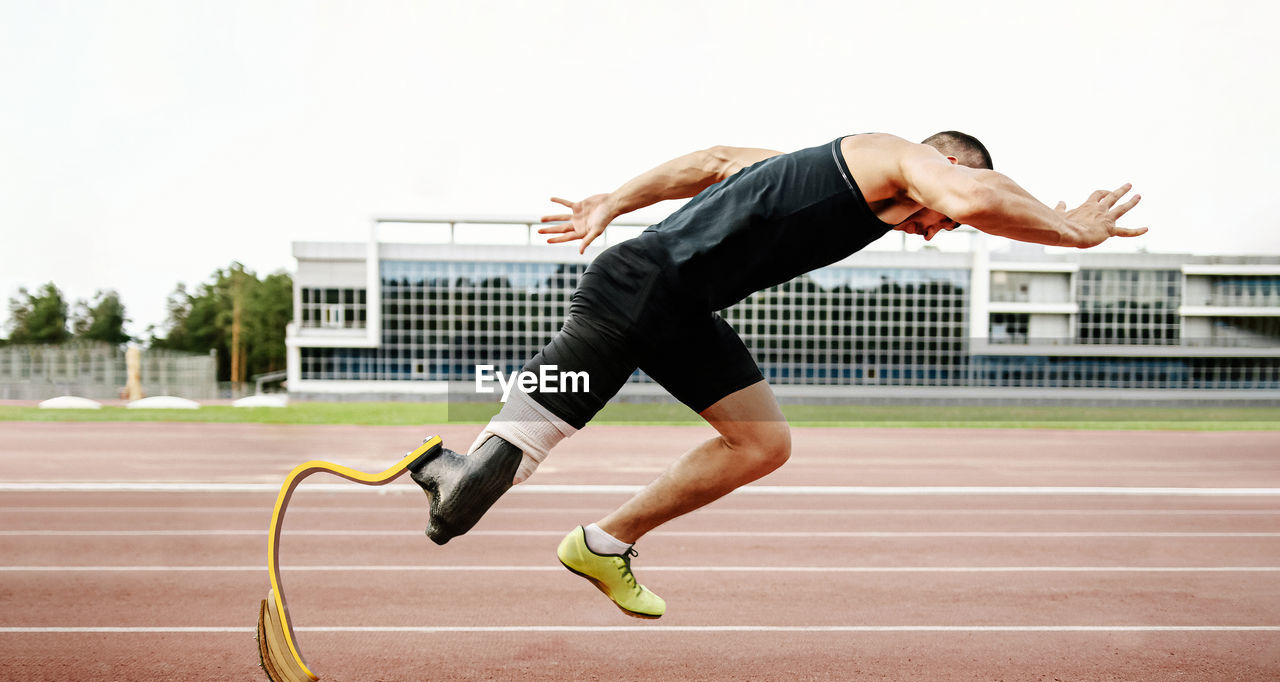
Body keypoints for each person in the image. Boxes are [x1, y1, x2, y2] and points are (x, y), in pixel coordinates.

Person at [410, 131, 1145, 618]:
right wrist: (1072, 229)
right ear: (943, 163)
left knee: (761, 443)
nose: (935, 232)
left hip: (681, 310)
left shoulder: (830, 169)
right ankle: (441, 466)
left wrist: (614, 199)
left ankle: (602, 544)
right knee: (470, 496)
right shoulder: (903, 158)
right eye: (939, 222)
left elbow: (712, 160)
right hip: (637, 289)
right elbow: (975, 195)